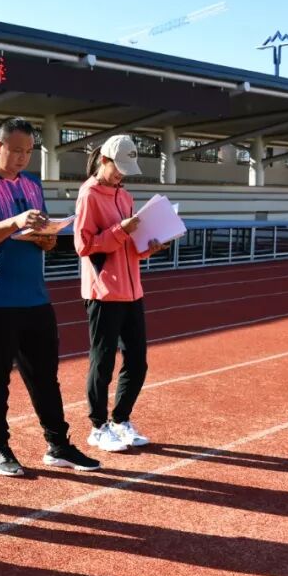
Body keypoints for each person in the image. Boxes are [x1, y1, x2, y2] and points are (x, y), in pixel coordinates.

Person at [0, 117, 100, 477]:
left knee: (44, 376)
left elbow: (40, 232)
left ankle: (58, 444)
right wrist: (14, 223)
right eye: (16, 151)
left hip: (35, 296)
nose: (23, 158)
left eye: (28, 152)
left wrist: (48, 238)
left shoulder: (33, 184)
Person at [73, 134, 168, 454]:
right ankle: (97, 427)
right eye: (118, 168)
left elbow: (127, 247)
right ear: (104, 160)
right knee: (102, 364)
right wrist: (121, 230)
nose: (121, 175)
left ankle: (121, 420)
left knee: (138, 362)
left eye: (126, 170)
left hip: (132, 290)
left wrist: (149, 247)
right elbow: (84, 246)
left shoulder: (125, 196)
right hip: (103, 292)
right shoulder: (88, 195)